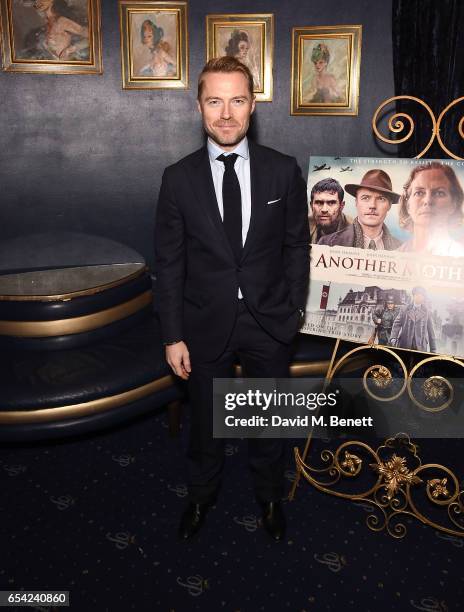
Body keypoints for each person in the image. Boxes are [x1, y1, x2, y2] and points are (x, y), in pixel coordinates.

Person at [154, 56, 309, 541]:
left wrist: (295, 308)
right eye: (214, 100)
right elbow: (170, 263)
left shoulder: (283, 172)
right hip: (204, 323)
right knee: (206, 423)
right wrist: (173, 334)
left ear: (253, 105)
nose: (226, 113)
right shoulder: (177, 178)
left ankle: (269, 496)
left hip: (269, 322)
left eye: (237, 100)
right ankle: (201, 498)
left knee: (268, 416)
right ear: (198, 105)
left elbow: (297, 246)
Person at [318, 169, 402, 250]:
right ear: (356, 202)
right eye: (365, 198)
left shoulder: (403, 249)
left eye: (381, 199)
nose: (372, 205)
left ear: (389, 205)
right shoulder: (327, 244)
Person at [396, 162, 464, 256]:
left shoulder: (460, 255)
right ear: (407, 205)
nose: (427, 201)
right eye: (419, 193)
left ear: (454, 204)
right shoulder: (394, 256)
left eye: (439, 193)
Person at [23, 0, 89, 61]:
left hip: (66, 65)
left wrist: (69, 50)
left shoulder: (62, 21)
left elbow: (92, 36)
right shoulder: (46, 25)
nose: (38, 2)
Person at [390, 287, 437, 353]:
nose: (419, 297)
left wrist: (433, 349)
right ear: (413, 296)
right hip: (405, 344)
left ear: (423, 297)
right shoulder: (404, 309)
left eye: (421, 295)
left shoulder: (427, 312)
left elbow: (431, 332)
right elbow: (396, 324)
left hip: (420, 346)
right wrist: (393, 338)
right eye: (417, 295)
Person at [309, 178, 352, 243]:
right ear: (311, 205)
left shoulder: (355, 230)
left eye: (331, 203)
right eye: (319, 202)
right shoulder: (302, 226)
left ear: (341, 206)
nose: (324, 209)